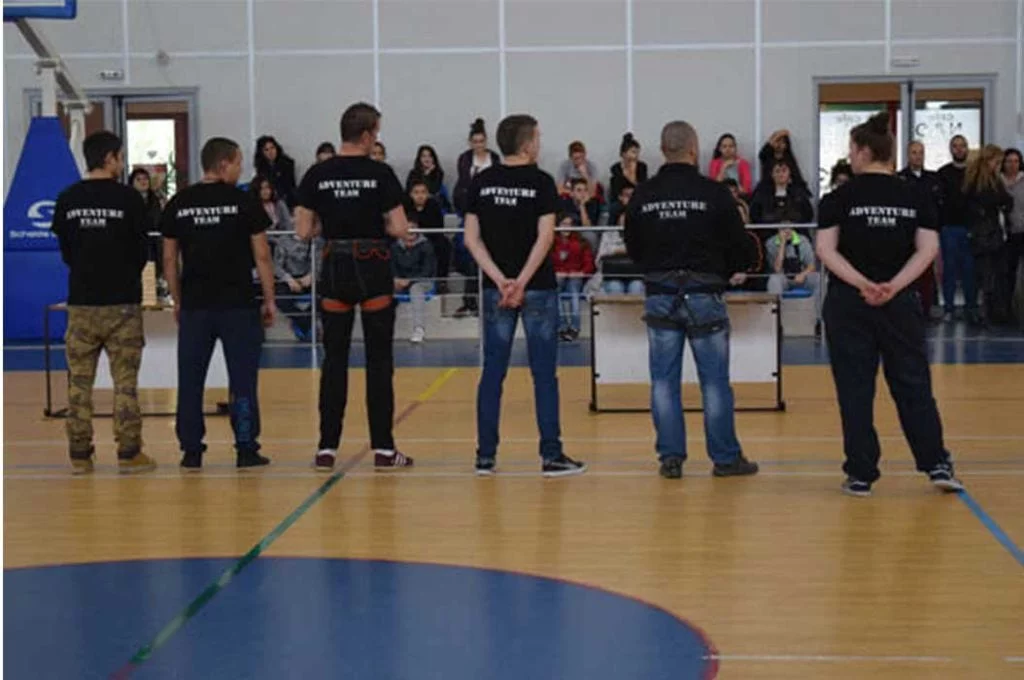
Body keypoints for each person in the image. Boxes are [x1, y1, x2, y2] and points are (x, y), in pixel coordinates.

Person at [815, 112, 963, 497]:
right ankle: (936, 463)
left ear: (865, 152)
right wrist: (894, 286)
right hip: (900, 303)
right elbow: (928, 249)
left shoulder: (838, 198)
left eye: (852, 149)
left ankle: (861, 472)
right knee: (913, 383)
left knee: (855, 389)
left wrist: (863, 284)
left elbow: (826, 250)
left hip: (849, 303)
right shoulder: (915, 195)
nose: (850, 156)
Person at [624, 120, 761, 480]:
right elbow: (740, 247)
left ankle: (671, 458)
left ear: (662, 150)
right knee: (714, 382)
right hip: (705, 292)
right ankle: (725, 459)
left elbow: (633, 247)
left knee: (663, 381)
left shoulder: (643, 195)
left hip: (660, 293)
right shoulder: (714, 193)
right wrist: (724, 270)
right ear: (694, 149)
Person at [463, 113, 586, 477]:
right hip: (539, 289)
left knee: (493, 372)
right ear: (528, 143)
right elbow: (545, 238)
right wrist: (522, 282)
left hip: (496, 290)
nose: (540, 143)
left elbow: (471, 239)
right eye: (538, 137)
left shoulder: (481, 182)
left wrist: (502, 280)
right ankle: (551, 455)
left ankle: (485, 456)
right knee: (544, 374)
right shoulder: (542, 182)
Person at [295, 102, 414, 473]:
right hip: (373, 264)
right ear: (365, 136)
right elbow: (399, 227)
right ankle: (384, 449)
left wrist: (330, 224)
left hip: (335, 266)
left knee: (334, 361)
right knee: (379, 361)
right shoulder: (381, 173)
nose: (377, 139)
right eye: (376, 133)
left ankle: (327, 447)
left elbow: (303, 230)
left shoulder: (318, 174)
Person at [161, 137, 276, 470]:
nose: (241, 169)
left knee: (190, 379)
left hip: (196, 306)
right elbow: (262, 255)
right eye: (238, 163)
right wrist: (269, 299)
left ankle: (191, 450)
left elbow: (169, 259)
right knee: (242, 380)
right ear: (224, 165)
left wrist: (178, 300)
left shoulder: (179, 203)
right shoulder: (244, 202)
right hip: (238, 305)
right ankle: (246, 448)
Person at [51, 131, 156, 475]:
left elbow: (66, 251)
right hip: (122, 302)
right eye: (120, 156)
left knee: (79, 382)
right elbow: (141, 250)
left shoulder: (67, 198)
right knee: (125, 382)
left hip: (82, 302)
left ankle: (80, 455)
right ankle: (129, 453)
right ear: (110, 158)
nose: (122, 163)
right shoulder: (129, 199)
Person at [964, 144, 1013, 325]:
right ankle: (987, 313)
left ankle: (987, 312)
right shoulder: (984, 182)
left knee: (989, 274)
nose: (999, 166)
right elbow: (1002, 200)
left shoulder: (980, 181)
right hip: (986, 234)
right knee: (989, 275)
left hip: (985, 232)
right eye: (997, 162)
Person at [898, 141, 942, 317]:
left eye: (921, 152)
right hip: (907, 232)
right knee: (907, 269)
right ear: (908, 155)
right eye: (914, 152)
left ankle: (927, 307)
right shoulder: (899, 179)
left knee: (927, 272)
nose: (918, 156)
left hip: (929, 231)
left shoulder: (933, 179)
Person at [937, 134, 977, 323]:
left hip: (971, 228)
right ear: (950, 149)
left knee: (970, 271)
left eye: (962, 145)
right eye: (955, 146)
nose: (959, 149)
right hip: (949, 229)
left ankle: (971, 308)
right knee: (949, 271)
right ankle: (949, 309)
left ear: (967, 148)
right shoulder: (943, 173)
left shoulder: (975, 173)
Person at [551, 220, 595, 341]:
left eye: (569, 224)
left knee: (574, 293)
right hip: (558, 277)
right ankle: (562, 327)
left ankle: (574, 328)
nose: (566, 227)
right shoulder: (551, 242)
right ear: (558, 226)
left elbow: (589, 264)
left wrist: (581, 273)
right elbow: (547, 263)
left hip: (575, 277)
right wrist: (554, 273)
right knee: (555, 291)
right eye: (563, 224)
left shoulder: (581, 242)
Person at [407, 179, 450, 292]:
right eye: (416, 192)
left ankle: (441, 281)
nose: (420, 196)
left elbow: (439, 227)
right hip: (409, 239)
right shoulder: (405, 206)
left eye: (423, 192)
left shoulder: (434, 205)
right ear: (411, 194)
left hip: (431, 238)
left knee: (444, 244)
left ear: (428, 194)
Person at [766, 218, 820, 305]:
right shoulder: (771, 243)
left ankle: (818, 310)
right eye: (783, 229)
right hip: (783, 278)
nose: (787, 231)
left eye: (789, 228)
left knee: (819, 279)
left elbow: (812, 265)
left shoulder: (803, 240)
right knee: (773, 280)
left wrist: (803, 274)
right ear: (778, 230)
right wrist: (782, 243)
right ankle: (776, 311)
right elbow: (777, 269)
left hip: (801, 276)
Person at [273, 231, 315, 341]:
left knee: (326, 295)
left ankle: (303, 320)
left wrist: (311, 275)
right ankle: (305, 321)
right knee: (280, 299)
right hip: (289, 278)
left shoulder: (315, 239)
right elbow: (276, 266)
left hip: (309, 277)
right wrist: (289, 279)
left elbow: (320, 262)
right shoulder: (283, 240)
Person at [454, 118, 501, 214]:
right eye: (475, 142)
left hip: (489, 200)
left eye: (481, 141)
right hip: (470, 200)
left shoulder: (494, 158)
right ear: (470, 142)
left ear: (486, 141)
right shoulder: (464, 158)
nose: (479, 145)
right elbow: (463, 182)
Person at [750, 160, 813, 225]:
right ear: (772, 174)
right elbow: (755, 216)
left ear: (789, 173)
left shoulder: (799, 194)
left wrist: (791, 225)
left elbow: (808, 215)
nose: (781, 174)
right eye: (777, 171)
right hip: (769, 230)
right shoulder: (762, 194)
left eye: (784, 171)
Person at [1001, 148, 1024, 308]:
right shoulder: (997, 181)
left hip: (1023, 229)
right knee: (1008, 271)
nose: (1012, 165)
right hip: (1005, 233)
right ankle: (1008, 307)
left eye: (1016, 161)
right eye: (1009, 161)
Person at [757, 129, 808, 194]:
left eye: (782, 142)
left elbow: (797, 180)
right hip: (767, 193)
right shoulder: (766, 157)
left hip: (788, 193)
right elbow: (762, 153)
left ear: (786, 145)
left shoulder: (790, 161)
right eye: (777, 141)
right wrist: (778, 134)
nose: (779, 145)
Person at [254, 135, 298, 208]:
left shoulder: (287, 164)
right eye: (266, 150)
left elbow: (289, 186)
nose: (270, 152)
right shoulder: (261, 167)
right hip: (269, 199)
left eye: (272, 148)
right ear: (261, 152)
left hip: (286, 199)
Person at [406, 144, 450, 211]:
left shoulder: (438, 173)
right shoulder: (413, 173)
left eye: (430, 156)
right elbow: (410, 190)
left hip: (432, 203)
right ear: (419, 158)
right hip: (414, 204)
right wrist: (426, 174)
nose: (427, 159)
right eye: (424, 156)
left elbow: (432, 190)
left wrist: (427, 173)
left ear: (433, 158)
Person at [609, 133, 648, 200]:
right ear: (624, 153)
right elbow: (616, 191)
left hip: (638, 198)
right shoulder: (616, 168)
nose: (637, 155)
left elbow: (643, 188)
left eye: (638, 152)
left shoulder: (642, 167)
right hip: (622, 200)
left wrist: (632, 175)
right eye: (633, 152)